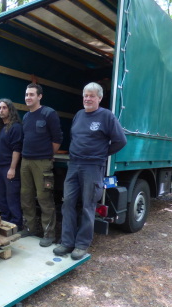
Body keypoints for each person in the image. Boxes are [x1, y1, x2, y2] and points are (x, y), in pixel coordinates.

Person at [53, 82, 127, 260]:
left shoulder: (106, 116)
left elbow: (120, 141)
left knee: (88, 206)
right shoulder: (78, 115)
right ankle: (66, 242)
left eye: (92, 95)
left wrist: (101, 154)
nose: (87, 98)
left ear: (99, 98)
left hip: (92, 167)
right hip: (74, 165)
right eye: (85, 95)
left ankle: (81, 245)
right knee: (68, 203)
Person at [20, 83, 63, 247]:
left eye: (31, 94)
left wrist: (48, 155)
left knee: (44, 197)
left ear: (39, 96)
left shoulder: (48, 113)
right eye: (26, 94)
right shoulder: (26, 117)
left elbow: (57, 138)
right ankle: (30, 228)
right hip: (26, 161)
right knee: (26, 196)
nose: (28, 97)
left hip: (42, 162)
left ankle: (49, 234)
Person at [0, 98, 23, 228]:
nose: (1, 110)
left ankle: (16, 224)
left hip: (9, 168)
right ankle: (5, 222)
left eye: (4, 108)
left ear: (10, 110)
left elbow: (17, 149)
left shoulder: (15, 127)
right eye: (0, 108)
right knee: (1, 197)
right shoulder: (2, 128)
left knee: (12, 198)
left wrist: (12, 168)